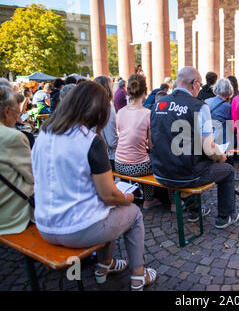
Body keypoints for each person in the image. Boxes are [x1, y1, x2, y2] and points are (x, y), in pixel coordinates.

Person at [31, 81, 156, 291]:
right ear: (97, 112)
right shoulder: (89, 140)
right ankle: (138, 275)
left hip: (44, 224)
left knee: (109, 211)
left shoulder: (44, 133)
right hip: (76, 228)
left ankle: (104, 265)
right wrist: (128, 198)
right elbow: (109, 195)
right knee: (133, 213)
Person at [150, 66, 239, 228]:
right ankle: (225, 216)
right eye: (200, 84)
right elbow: (209, 148)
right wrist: (222, 157)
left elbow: (152, 140)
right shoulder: (199, 106)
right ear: (194, 84)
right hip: (185, 175)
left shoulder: (158, 104)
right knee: (227, 170)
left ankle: (195, 210)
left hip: (160, 172)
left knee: (195, 160)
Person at [115, 74, 161, 210]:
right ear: (146, 90)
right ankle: (149, 200)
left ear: (128, 91)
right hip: (138, 167)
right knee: (152, 160)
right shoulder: (147, 113)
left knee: (144, 158)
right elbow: (151, 145)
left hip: (118, 163)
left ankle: (137, 195)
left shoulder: (121, 112)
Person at [0, 86, 35, 235]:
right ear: (7, 111)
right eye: (17, 112)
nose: (18, 117)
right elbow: (32, 176)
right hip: (12, 215)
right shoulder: (12, 136)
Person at [94, 76, 119, 170]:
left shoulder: (92, 105)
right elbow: (112, 141)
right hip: (108, 156)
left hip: (95, 153)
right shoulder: (107, 107)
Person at [205, 78, 233, 145]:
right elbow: (231, 126)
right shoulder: (227, 107)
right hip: (220, 142)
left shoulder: (206, 101)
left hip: (206, 139)